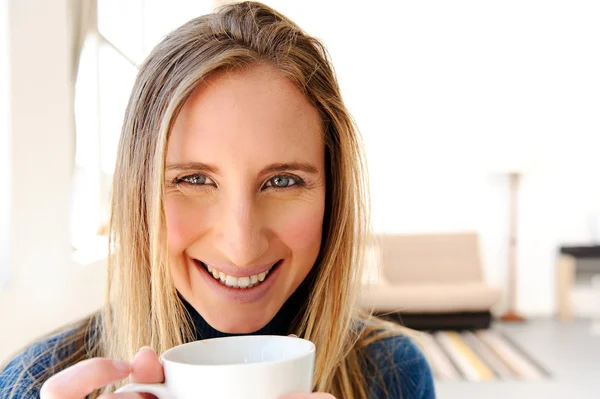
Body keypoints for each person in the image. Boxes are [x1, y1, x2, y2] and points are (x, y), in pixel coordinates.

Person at [0, 2, 435, 398]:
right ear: (139, 197)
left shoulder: (393, 373)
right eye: (194, 179)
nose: (241, 247)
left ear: (332, 195)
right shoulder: (31, 383)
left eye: (282, 181)